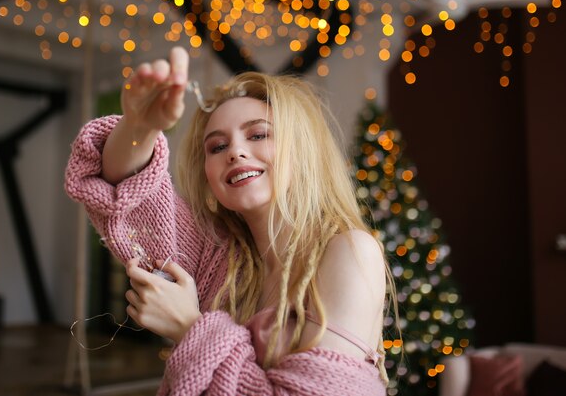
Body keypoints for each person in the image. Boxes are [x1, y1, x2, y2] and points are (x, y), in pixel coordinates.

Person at [65, 46, 393, 395]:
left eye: (258, 134)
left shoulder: (349, 251)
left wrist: (191, 328)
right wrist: (139, 127)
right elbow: (128, 192)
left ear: (302, 148)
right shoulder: (219, 258)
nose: (235, 151)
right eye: (217, 147)